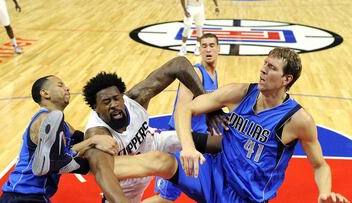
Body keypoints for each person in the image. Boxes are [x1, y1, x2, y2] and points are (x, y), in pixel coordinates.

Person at [106, 47, 349, 203]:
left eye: (271, 68)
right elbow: (185, 108)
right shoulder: (241, 92)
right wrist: (188, 147)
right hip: (212, 173)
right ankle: (86, 163)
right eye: (264, 63)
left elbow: (319, 165)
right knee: (161, 160)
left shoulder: (298, 120)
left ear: (286, 79)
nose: (263, 70)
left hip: (244, 196)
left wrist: (324, 192)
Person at [81, 55, 225, 203]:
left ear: (123, 97)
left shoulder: (136, 99)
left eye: (116, 98)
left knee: (197, 139)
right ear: (95, 108)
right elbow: (103, 173)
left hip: (152, 143)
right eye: (106, 102)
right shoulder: (98, 135)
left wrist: (207, 106)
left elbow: (178, 64)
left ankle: (238, 150)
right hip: (128, 176)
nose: (114, 104)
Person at [0, 75, 125, 203]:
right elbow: (59, 158)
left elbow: (82, 139)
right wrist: (93, 141)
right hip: (22, 194)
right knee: (66, 161)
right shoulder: (43, 120)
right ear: (45, 93)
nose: (67, 88)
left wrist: (109, 141)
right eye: (60, 85)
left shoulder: (63, 125)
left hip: (34, 196)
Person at [144, 33, 220, 203]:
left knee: (207, 192)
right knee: (165, 198)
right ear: (199, 49)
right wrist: (185, 145)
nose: (208, 49)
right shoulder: (195, 74)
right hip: (180, 140)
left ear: (219, 48)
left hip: (199, 141)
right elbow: (181, 111)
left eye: (212, 45)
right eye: (204, 46)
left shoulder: (214, 75)